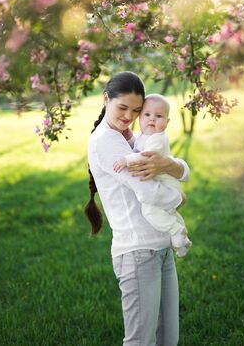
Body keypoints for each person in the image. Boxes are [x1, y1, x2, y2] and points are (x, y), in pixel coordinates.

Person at [85, 71, 190, 346]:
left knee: (168, 338)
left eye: (136, 110)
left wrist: (172, 168)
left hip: (160, 244)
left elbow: (174, 165)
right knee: (141, 341)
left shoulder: (131, 136)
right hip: (137, 251)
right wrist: (177, 198)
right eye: (122, 108)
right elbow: (146, 190)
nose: (128, 116)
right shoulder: (107, 140)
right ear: (106, 98)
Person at [113, 93, 192, 258]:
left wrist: (126, 160)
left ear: (167, 122)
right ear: (140, 117)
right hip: (162, 182)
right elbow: (137, 147)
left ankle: (176, 230)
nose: (152, 119)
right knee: (168, 213)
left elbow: (145, 156)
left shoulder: (158, 138)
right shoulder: (144, 136)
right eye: (147, 115)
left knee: (149, 211)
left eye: (159, 116)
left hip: (166, 184)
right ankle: (182, 240)